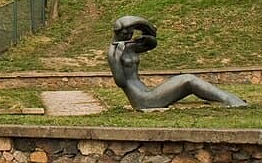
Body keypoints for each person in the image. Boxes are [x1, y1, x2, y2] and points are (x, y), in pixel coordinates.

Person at [106, 15, 247, 111]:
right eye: (125, 34)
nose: (129, 36)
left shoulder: (128, 46)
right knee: (188, 80)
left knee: (187, 81)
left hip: (147, 92)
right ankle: (229, 100)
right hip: (142, 100)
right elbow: (120, 82)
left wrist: (147, 35)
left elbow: (151, 44)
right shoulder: (113, 52)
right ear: (117, 32)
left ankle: (227, 99)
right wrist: (118, 56)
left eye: (131, 33)